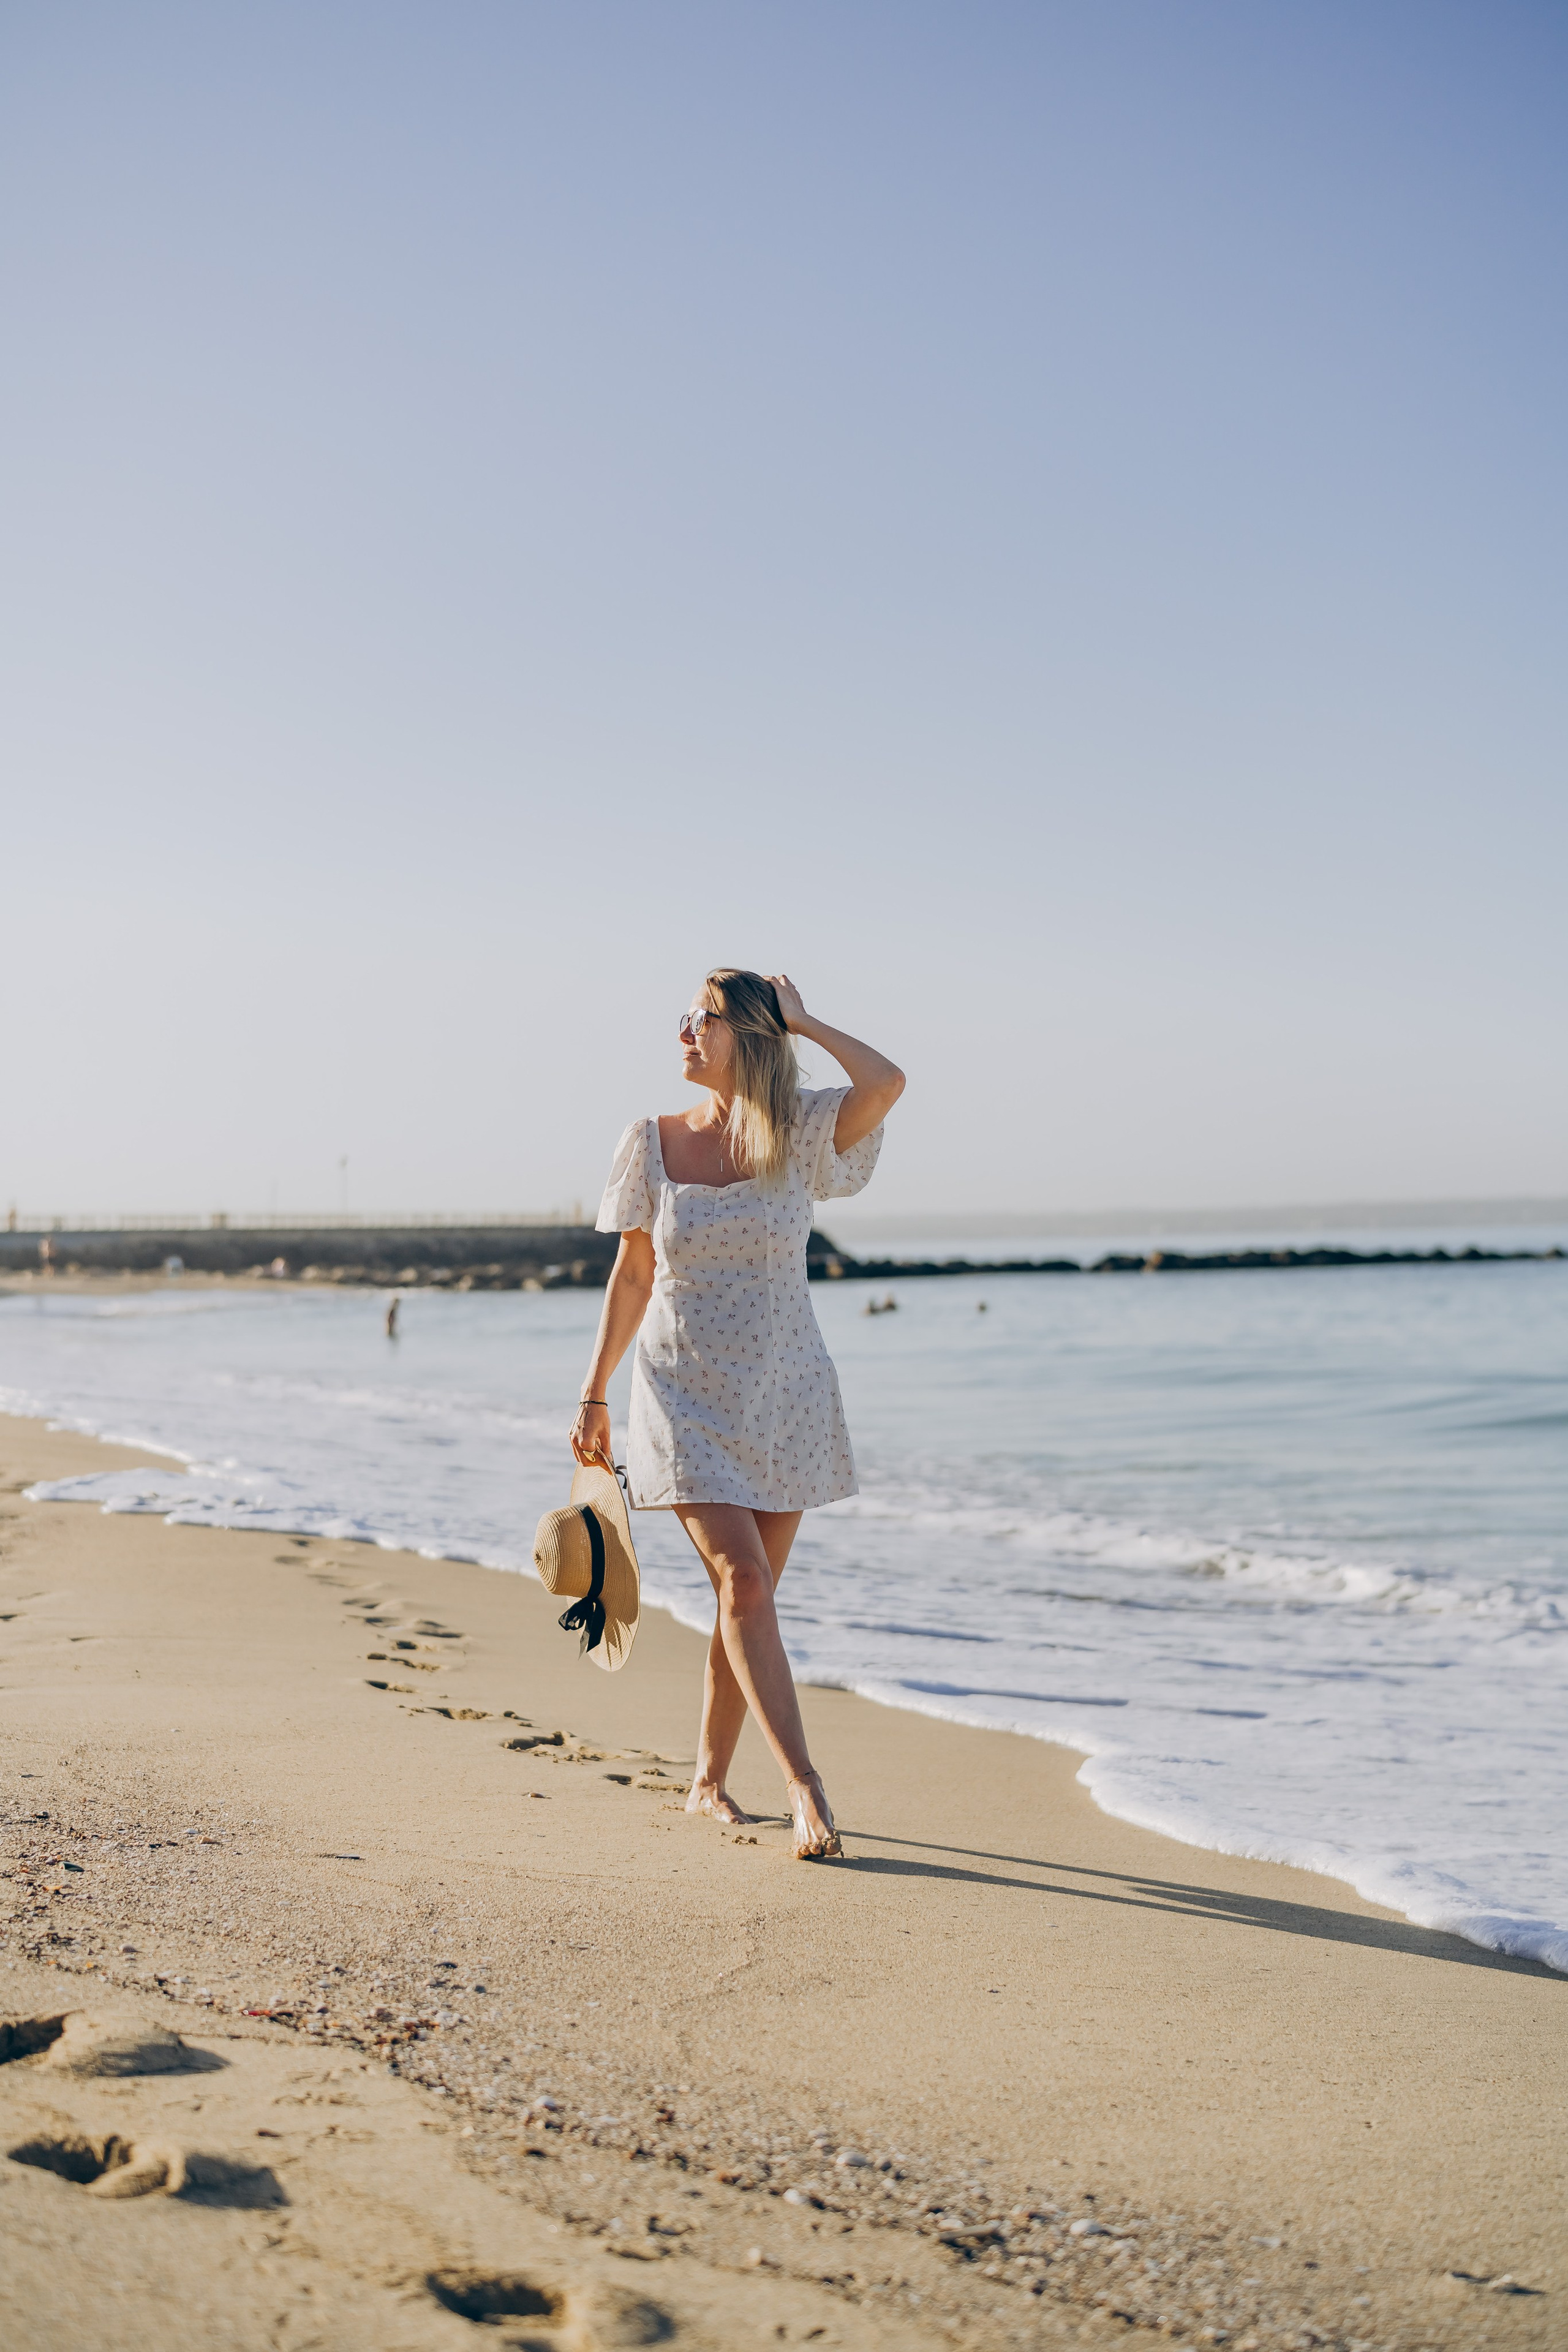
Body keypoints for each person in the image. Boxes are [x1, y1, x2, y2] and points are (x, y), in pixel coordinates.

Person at [572, 969, 904, 1860]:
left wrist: (805, 1019)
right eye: (685, 1017)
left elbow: (887, 1083)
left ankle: (707, 1783)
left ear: (753, 1038)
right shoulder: (650, 1142)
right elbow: (636, 1273)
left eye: (705, 1021)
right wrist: (596, 1391)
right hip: (682, 1391)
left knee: (744, 1596)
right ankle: (806, 1787)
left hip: (786, 1393)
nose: (683, 1032)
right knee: (745, 1583)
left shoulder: (800, 1132)